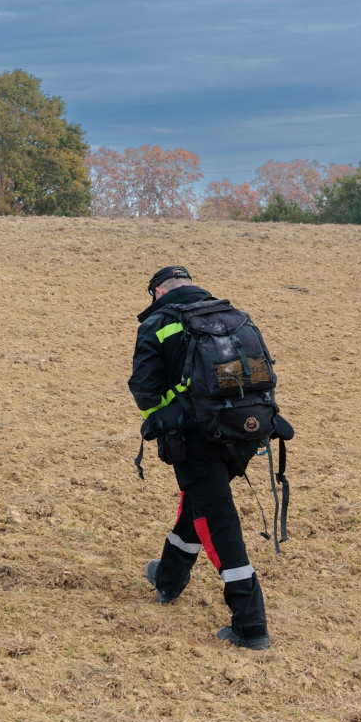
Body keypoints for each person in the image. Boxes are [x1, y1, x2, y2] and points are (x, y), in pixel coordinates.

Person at [130, 265, 273, 651]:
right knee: (199, 502)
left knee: (218, 521)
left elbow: (145, 390)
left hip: (199, 440)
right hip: (247, 432)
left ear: (157, 292)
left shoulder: (158, 323)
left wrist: (166, 420)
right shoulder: (232, 315)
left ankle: (250, 623)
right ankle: (169, 579)